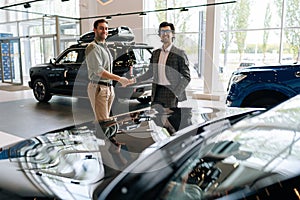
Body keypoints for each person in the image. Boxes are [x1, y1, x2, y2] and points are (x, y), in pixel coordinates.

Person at [130, 21, 191, 108]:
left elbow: (186, 76)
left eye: (167, 31)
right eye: (162, 32)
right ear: (159, 35)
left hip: (171, 92)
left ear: (173, 34)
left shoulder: (179, 53)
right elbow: (150, 73)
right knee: (156, 119)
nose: (165, 34)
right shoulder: (155, 53)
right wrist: (134, 80)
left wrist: (176, 93)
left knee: (170, 119)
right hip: (157, 91)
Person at [85, 19, 129, 121]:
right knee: (102, 121)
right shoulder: (92, 47)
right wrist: (119, 79)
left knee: (105, 120)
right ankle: (102, 137)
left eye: (106, 29)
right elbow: (99, 71)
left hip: (108, 87)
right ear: (95, 30)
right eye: (101, 28)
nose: (104, 31)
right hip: (99, 87)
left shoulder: (105, 47)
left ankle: (103, 136)